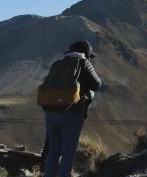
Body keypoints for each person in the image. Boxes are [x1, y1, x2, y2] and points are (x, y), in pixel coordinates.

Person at [41, 40, 102, 177]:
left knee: (54, 151)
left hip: (51, 112)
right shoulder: (84, 63)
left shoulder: (58, 64)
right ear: (86, 53)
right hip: (72, 114)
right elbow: (96, 84)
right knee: (68, 151)